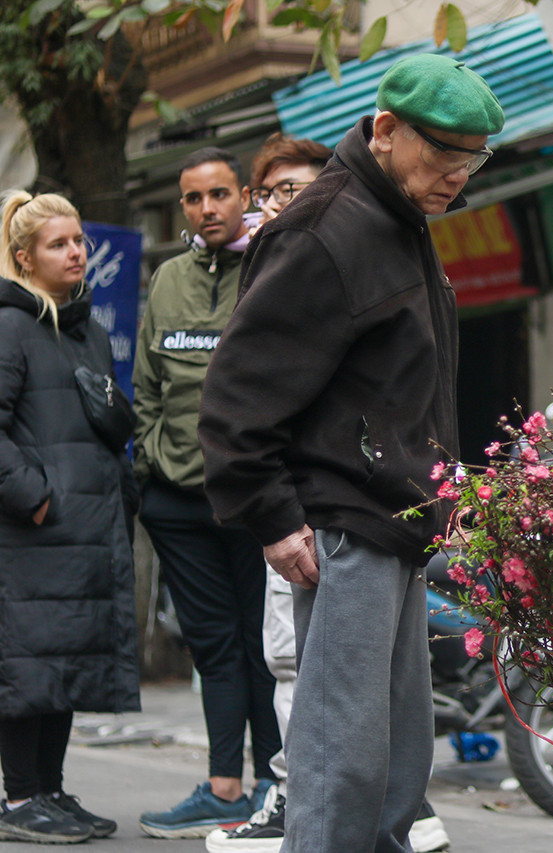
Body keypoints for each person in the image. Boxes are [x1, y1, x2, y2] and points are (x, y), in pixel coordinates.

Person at [197, 54, 504, 853]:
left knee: (397, 762)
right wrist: (272, 518)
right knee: (342, 756)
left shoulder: (399, 221)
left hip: (399, 519)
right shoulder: (324, 227)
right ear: (385, 131)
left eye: (472, 161)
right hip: (342, 522)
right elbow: (237, 394)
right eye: (443, 157)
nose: (456, 178)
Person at [134, 148, 282, 838]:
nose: (206, 209)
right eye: (193, 199)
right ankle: (227, 786)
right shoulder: (167, 278)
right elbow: (147, 386)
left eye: (219, 194)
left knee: (265, 647)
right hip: (178, 502)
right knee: (216, 648)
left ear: (245, 194)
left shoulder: (274, 264)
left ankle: (274, 786)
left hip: (256, 499)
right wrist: (152, 467)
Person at [0, 190, 141, 844]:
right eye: (59, 243)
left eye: (79, 240)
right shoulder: (8, 326)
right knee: (28, 666)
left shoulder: (88, 330)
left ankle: (51, 787)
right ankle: (21, 795)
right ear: (24, 258)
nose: (76, 251)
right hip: (32, 533)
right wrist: (34, 493)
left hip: (84, 529)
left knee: (66, 664)